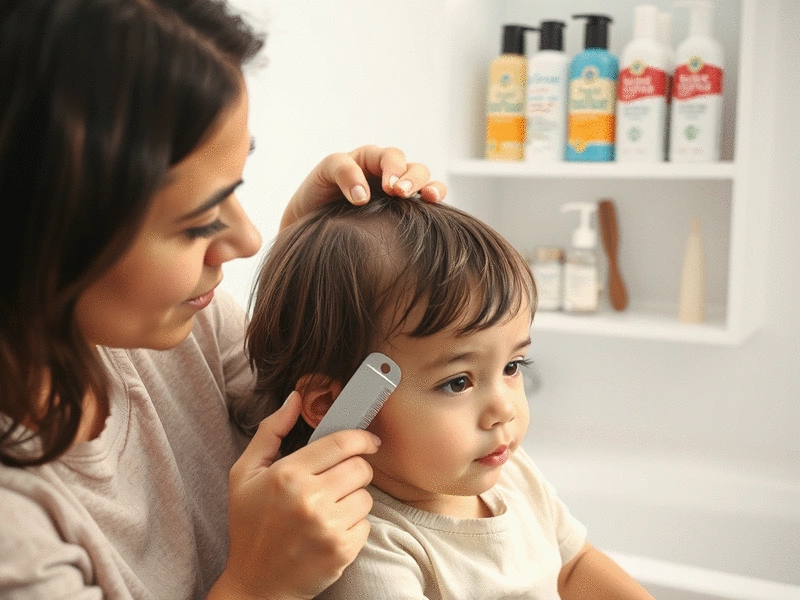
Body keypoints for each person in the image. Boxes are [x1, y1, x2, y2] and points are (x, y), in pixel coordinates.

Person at [0, 1, 447, 599]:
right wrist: (257, 586)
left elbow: (291, 397)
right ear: (37, 236)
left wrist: (310, 266)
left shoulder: (172, 327)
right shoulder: (17, 528)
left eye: (234, 188)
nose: (249, 240)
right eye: (197, 222)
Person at [243, 184, 657, 599]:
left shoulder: (511, 473)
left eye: (512, 367)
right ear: (335, 406)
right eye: (458, 382)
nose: (503, 410)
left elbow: (573, 566)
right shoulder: (368, 547)